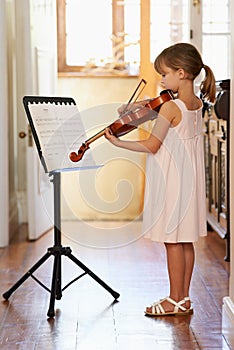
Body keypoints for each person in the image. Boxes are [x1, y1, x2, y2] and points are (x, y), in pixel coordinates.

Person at [105, 42, 216, 316]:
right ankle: (184, 298)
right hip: (188, 180)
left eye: (164, 74)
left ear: (181, 73)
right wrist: (134, 107)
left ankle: (173, 299)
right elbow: (159, 108)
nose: (161, 81)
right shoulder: (195, 103)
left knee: (172, 241)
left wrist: (119, 144)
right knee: (185, 240)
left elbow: (153, 145)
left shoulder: (170, 107)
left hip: (172, 181)